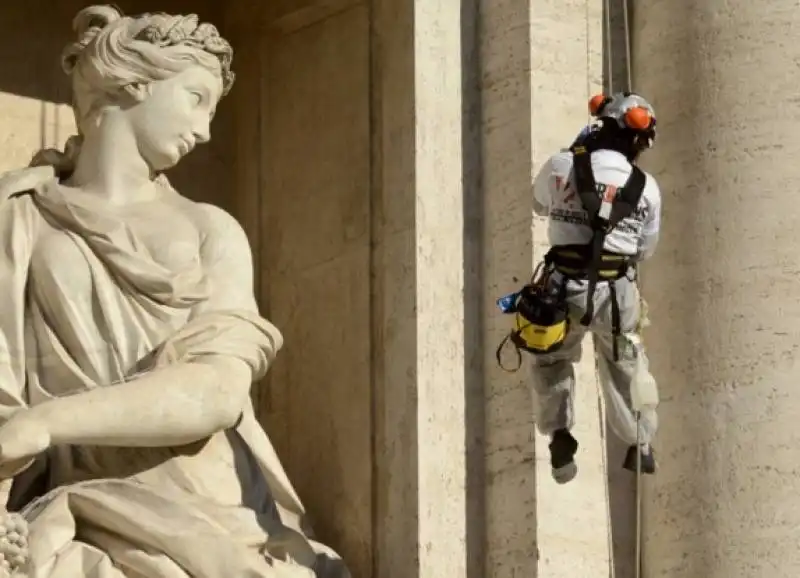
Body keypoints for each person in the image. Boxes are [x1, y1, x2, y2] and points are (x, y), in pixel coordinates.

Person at [0, 5, 348, 576]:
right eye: (196, 98)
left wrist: (44, 423)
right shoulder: (20, 215)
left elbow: (216, 389)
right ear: (136, 82)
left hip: (205, 511)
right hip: (64, 513)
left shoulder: (210, 229)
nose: (207, 129)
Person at [530, 92, 662, 484]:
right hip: (617, 292)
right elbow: (645, 249)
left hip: (561, 289)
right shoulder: (646, 187)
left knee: (551, 360)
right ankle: (640, 442)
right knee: (628, 364)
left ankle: (559, 433)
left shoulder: (560, 165)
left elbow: (539, 204)